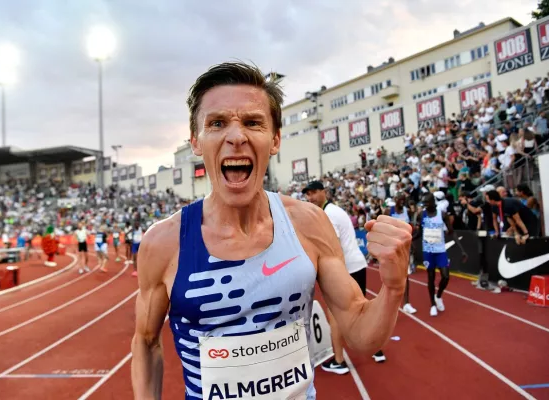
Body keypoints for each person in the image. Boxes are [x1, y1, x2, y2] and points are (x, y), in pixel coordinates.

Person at [131, 62, 412, 400]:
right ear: (196, 141)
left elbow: (360, 332)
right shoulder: (164, 242)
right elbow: (146, 342)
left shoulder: (308, 223)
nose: (236, 137)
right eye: (217, 123)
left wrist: (394, 288)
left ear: (275, 139)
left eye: (252, 122)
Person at [303, 180, 385, 374]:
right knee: (362, 310)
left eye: (314, 193)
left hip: (345, 268)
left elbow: (332, 246)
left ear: (324, 192)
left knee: (335, 315)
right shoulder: (332, 211)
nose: (310, 197)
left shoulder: (328, 214)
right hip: (354, 264)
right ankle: (377, 349)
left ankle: (339, 361)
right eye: (307, 194)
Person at [414, 193, 467, 317]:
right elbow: (419, 233)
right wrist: (409, 240)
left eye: (427, 204)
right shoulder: (422, 215)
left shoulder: (442, 214)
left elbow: (452, 232)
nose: (425, 206)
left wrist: (462, 250)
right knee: (431, 277)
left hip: (440, 250)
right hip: (428, 251)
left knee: (446, 276)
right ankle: (432, 304)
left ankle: (438, 296)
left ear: (433, 202)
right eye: (424, 204)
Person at [384, 193, 417, 315]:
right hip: (391, 248)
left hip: (404, 248)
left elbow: (409, 230)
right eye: (401, 200)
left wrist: (411, 243)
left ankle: (406, 303)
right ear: (396, 200)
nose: (403, 203)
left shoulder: (406, 212)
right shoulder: (389, 211)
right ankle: (387, 304)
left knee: (405, 275)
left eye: (404, 200)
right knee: (391, 277)